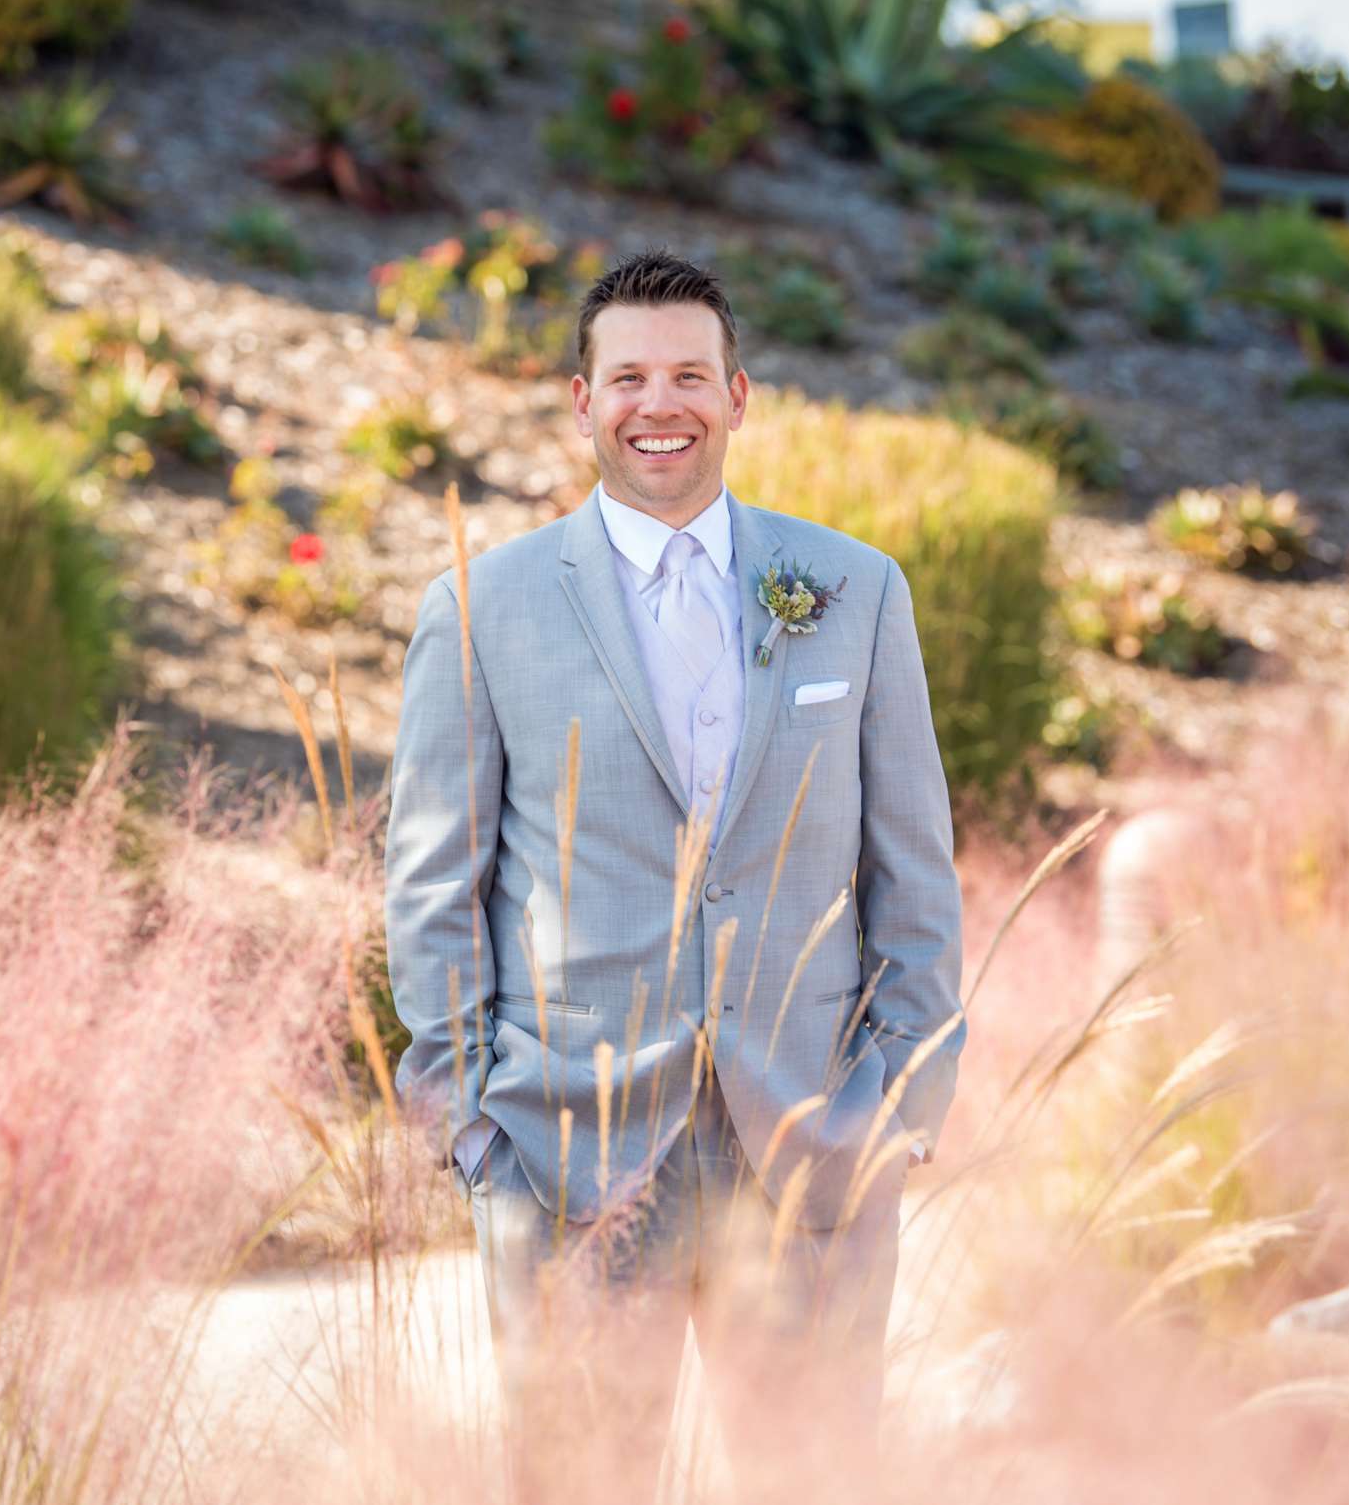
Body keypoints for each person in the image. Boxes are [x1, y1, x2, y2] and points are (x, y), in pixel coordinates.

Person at [383, 249, 966, 1501]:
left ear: (739, 397)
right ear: (581, 403)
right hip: (570, 1155)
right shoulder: (484, 609)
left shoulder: (857, 594)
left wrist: (902, 1108)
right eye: (631, 376)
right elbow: (434, 887)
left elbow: (913, 865)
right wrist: (475, 1126)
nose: (664, 404)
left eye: (691, 375)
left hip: (814, 1145)